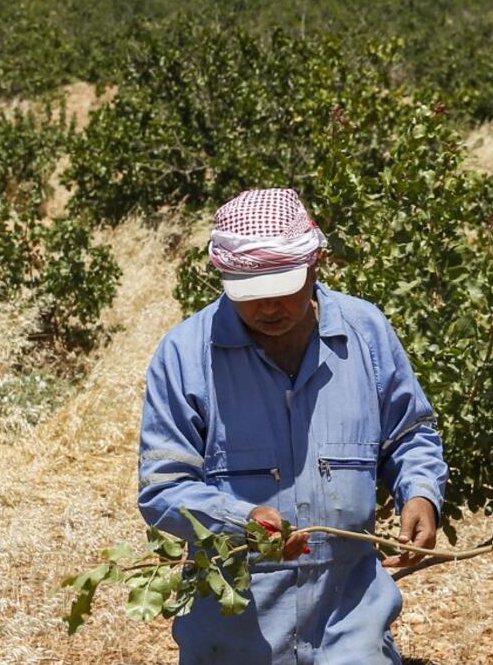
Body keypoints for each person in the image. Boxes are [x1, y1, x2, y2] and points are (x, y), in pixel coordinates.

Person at [137, 188, 448, 664]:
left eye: (282, 288)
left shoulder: (366, 334)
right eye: (250, 294)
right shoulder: (184, 358)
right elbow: (163, 491)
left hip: (350, 630)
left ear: (316, 261)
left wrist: (422, 492)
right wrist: (240, 522)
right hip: (233, 642)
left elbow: (409, 434)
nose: (268, 308)